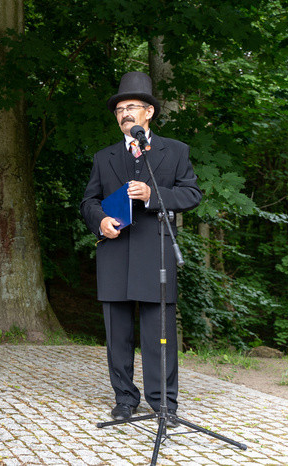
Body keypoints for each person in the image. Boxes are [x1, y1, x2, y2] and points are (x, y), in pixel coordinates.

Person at [80, 71, 201, 425]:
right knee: (118, 332)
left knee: (157, 333)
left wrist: (152, 196)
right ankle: (124, 400)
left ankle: (164, 403)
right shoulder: (104, 157)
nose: (124, 114)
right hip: (114, 251)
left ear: (149, 112)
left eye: (131, 107)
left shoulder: (175, 151)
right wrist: (99, 220)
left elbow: (191, 194)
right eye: (119, 109)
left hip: (155, 252)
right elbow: (89, 201)